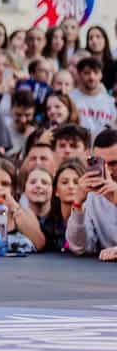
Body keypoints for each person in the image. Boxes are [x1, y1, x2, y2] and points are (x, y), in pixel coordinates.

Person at [66, 127, 117, 259]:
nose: (108, 171)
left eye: (114, 163)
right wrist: (77, 205)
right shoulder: (93, 194)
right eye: (100, 163)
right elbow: (79, 247)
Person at [70, 56, 116, 139]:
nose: (92, 77)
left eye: (96, 72)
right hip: (77, 142)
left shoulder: (111, 102)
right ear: (79, 74)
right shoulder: (70, 98)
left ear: (101, 75)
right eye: (87, 73)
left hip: (103, 144)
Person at [44, 159, 84, 253]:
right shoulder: (48, 224)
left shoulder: (92, 221)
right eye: (65, 182)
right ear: (56, 191)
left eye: (76, 182)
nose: (71, 186)